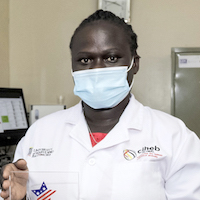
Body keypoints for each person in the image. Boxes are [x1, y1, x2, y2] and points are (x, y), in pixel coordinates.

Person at [1, 9, 200, 200]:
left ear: (135, 64)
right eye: (85, 59)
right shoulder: (39, 134)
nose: (97, 69)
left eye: (111, 58)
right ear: (72, 66)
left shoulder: (175, 138)